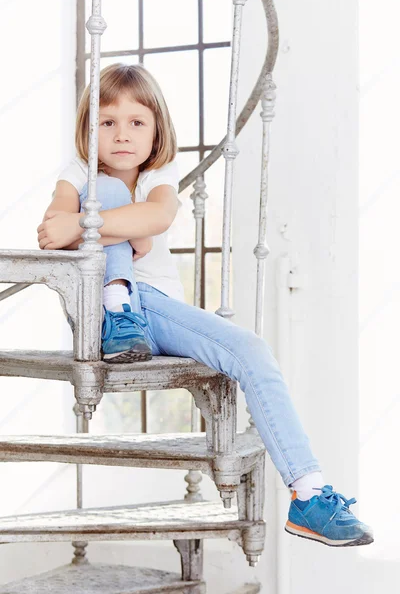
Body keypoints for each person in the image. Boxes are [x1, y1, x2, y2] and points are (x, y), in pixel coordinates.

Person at [37, 63, 373, 548]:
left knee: (251, 351)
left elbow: (157, 215)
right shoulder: (78, 173)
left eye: (136, 122)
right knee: (105, 188)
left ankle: (309, 493)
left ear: (157, 131)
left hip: (153, 309)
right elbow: (53, 227)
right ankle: (115, 306)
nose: (121, 135)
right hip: (92, 315)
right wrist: (121, 231)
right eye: (106, 122)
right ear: (88, 129)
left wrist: (90, 227)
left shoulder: (158, 174)